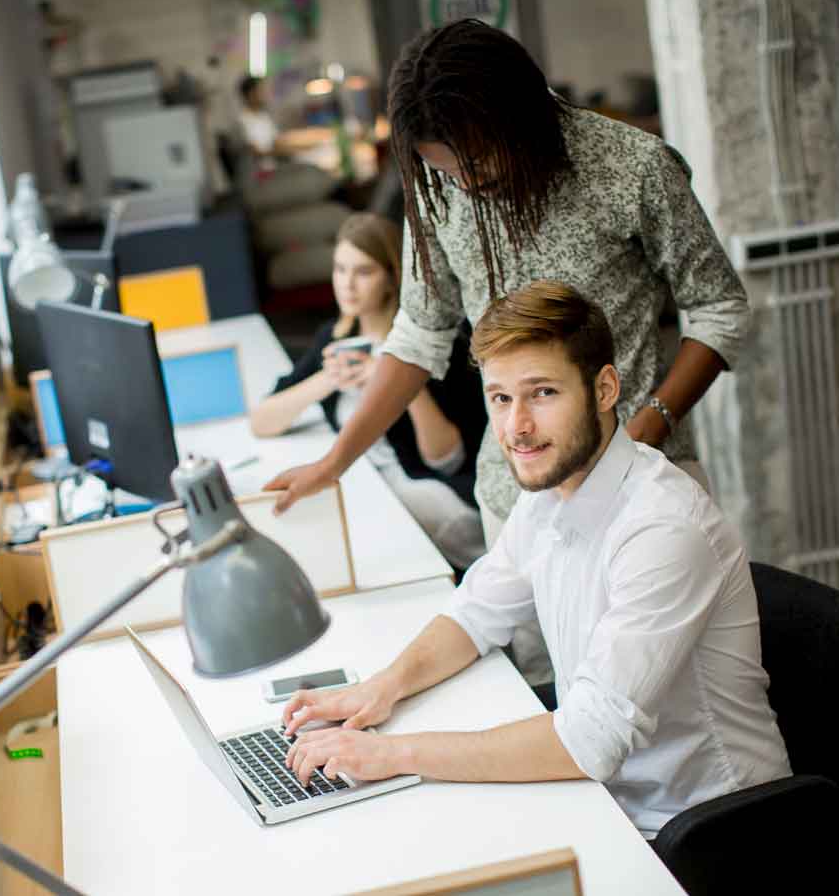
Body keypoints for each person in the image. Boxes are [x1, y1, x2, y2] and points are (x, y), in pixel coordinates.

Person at [264, 18, 750, 686]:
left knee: (658, 710)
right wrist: (335, 460)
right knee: (542, 691)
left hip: (639, 484)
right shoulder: (438, 191)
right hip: (515, 495)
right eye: (443, 167)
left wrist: (651, 422)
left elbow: (719, 307)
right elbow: (420, 330)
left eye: (476, 162)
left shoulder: (631, 167)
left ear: (519, 118)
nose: (463, 181)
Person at [279, 283, 790, 842]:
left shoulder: (662, 526)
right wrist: (381, 687)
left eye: (541, 393)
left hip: (703, 832)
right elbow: (474, 616)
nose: (516, 426)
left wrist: (390, 753)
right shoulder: (550, 493)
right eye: (500, 398)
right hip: (605, 801)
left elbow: (589, 740)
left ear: (604, 388)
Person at [250, 213, 486, 571]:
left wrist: (397, 384)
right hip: (362, 483)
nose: (347, 285)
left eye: (363, 272)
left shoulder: (435, 349)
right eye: (340, 269)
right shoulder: (336, 338)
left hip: (426, 495)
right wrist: (326, 379)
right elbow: (262, 422)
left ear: (393, 277)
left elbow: (448, 460)